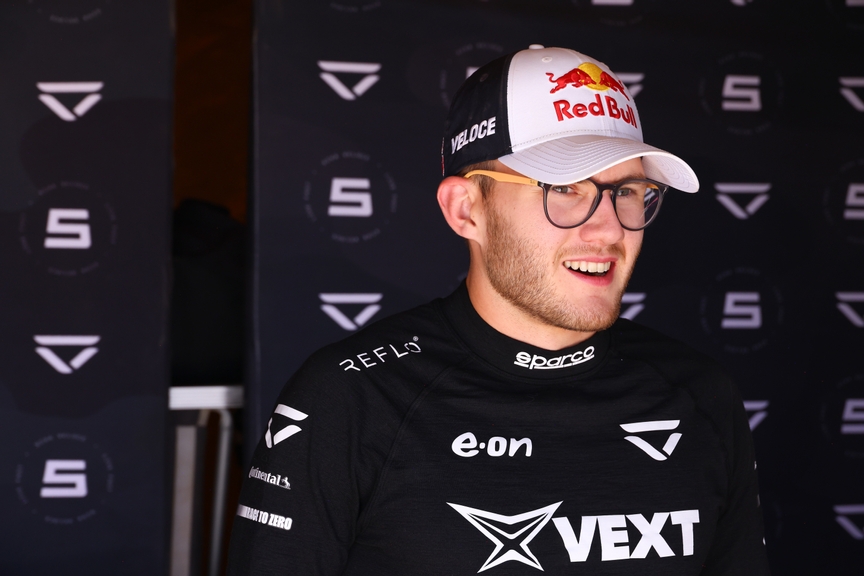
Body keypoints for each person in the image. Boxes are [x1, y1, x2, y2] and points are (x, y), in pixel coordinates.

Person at [227, 46, 770, 575]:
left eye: (627, 190)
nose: (608, 229)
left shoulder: (701, 394)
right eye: (564, 188)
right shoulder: (352, 399)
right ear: (466, 210)